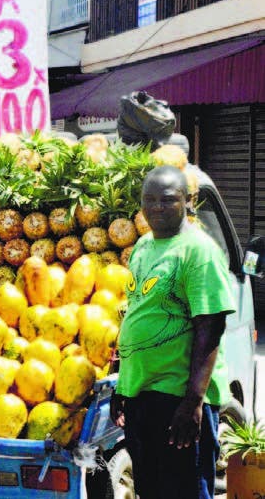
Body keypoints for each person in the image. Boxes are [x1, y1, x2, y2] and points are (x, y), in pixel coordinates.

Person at [110, 165, 234, 499]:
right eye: (149, 200)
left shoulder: (199, 251)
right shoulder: (144, 246)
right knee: (150, 489)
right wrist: (122, 382)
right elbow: (137, 312)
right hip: (143, 394)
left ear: (188, 201)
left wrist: (193, 402)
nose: (156, 208)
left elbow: (211, 327)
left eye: (167, 200)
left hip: (179, 399)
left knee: (186, 491)